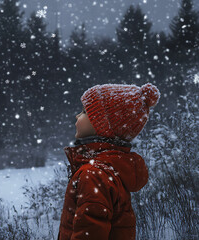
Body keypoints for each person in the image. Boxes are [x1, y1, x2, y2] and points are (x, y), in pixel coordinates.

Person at [57, 83, 160, 240]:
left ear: (102, 125)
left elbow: (89, 233)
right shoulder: (110, 169)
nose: (78, 116)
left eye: (85, 112)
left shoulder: (94, 175)